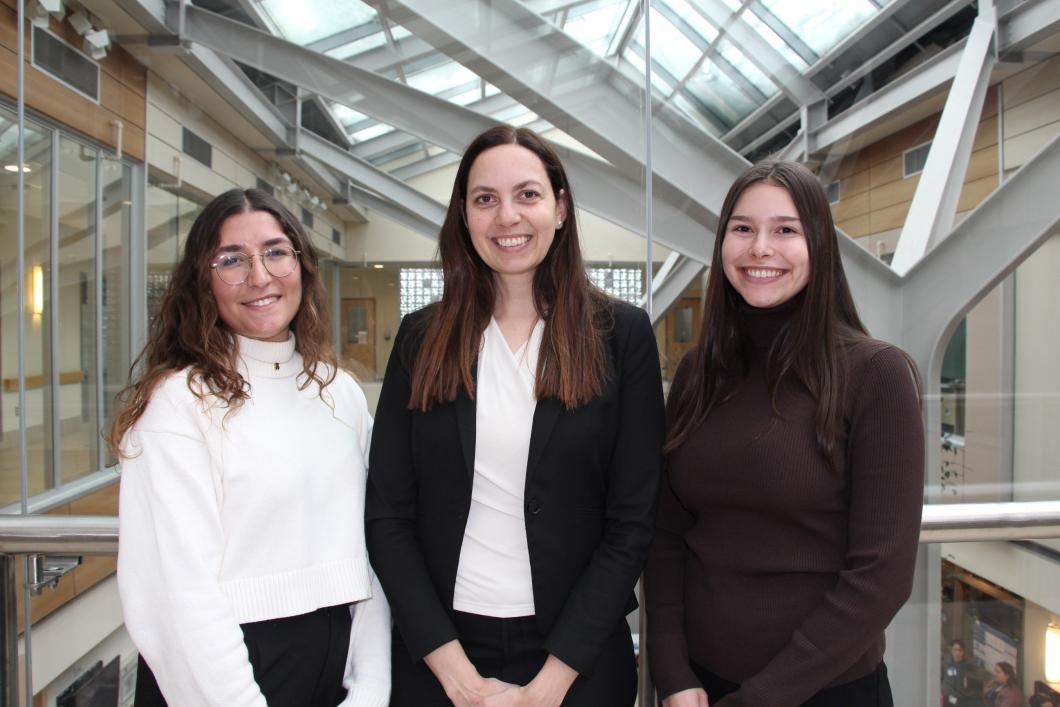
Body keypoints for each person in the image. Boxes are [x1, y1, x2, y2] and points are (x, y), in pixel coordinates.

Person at [366, 125, 664, 706]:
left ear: (560, 207)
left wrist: (549, 687)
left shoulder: (620, 336)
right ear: (464, 215)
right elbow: (387, 515)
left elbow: (632, 523)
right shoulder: (420, 338)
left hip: (577, 660)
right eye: (485, 199)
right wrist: (454, 673)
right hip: (439, 655)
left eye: (527, 195)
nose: (507, 217)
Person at [645, 160, 924, 707]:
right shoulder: (700, 371)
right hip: (699, 688)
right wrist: (672, 672)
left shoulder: (876, 374)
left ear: (819, 244)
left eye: (786, 230)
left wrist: (760, 700)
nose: (760, 249)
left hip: (827, 692)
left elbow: (882, 575)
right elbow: (666, 535)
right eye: (743, 228)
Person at [112, 188, 390, 707]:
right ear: (202, 281)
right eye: (231, 260)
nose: (259, 276)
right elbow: (176, 597)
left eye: (276, 252)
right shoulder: (179, 403)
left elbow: (369, 552)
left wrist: (371, 687)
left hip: (335, 663)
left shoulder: (339, 393)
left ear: (302, 266)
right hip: (219, 675)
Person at [943, 640, 982, 707]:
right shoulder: (949, 666)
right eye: (955, 650)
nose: (957, 652)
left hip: (962, 696)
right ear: (951, 650)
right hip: (950, 697)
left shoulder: (966, 664)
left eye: (960, 650)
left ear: (963, 651)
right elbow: (949, 688)